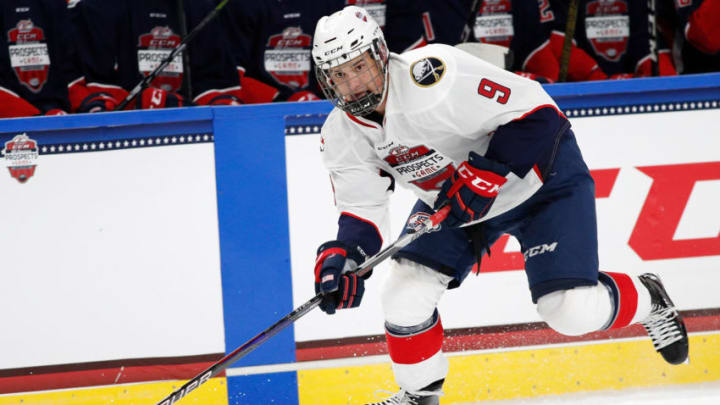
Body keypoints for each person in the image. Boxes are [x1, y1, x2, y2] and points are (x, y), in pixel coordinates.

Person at [310, 6, 689, 404]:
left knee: (570, 312)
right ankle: (419, 395)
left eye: (358, 67)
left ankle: (651, 297)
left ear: (380, 55)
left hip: (541, 181)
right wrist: (346, 257)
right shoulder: (341, 133)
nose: (352, 84)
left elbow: (540, 117)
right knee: (403, 295)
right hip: (456, 203)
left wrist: (487, 173)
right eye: (338, 75)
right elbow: (362, 209)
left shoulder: (432, 75)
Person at [70, 0, 243, 111]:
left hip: (189, 135)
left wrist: (190, 108)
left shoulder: (201, 8)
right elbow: (93, 88)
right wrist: (137, 104)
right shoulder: (96, 9)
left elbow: (217, 83)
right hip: (124, 135)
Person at [0, 0, 88, 118]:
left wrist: (91, 103)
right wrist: (36, 116)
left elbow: (71, 73)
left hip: (57, 116)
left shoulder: (59, 6)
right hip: (11, 122)